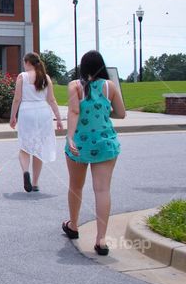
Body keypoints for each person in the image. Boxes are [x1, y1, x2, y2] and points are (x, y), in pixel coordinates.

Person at [62, 50, 126, 255]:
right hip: (106, 143)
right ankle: (101, 239)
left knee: (76, 186)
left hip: (80, 144)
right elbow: (121, 114)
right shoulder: (110, 87)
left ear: (83, 67)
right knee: (102, 190)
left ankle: (73, 225)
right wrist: (104, 111)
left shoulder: (75, 86)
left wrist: (70, 137)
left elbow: (73, 112)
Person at [9, 52, 63, 193]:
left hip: (27, 111)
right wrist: (58, 118)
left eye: (24, 62)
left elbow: (17, 99)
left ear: (28, 63)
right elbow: (51, 99)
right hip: (43, 111)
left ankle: (26, 171)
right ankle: (35, 182)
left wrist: (13, 116)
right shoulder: (46, 78)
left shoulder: (22, 77)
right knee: (39, 147)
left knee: (24, 146)